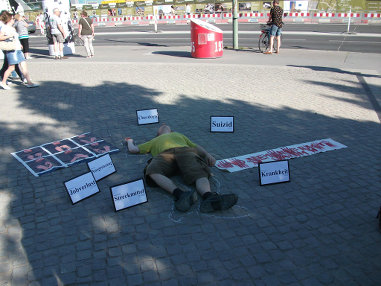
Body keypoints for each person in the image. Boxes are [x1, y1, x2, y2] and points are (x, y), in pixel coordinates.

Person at [126, 124, 238, 213]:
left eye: (166, 125)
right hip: (164, 155)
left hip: (184, 151)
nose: (164, 125)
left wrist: (206, 154)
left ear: (171, 131)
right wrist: (129, 141)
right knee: (152, 170)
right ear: (158, 133)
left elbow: (194, 146)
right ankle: (180, 195)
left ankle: (209, 197)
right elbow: (133, 149)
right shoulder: (154, 140)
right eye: (162, 126)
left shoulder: (179, 135)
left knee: (198, 170)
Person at [0, 11, 38, 89]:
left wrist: (19, 44)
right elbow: (0, 37)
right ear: (10, 19)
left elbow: (16, 38)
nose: (14, 20)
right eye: (13, 18)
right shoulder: (4, 27)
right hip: (11, 49)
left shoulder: (12, 28)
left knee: (24, 65)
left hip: (17, 49)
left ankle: (29, 82)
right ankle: (3, 82)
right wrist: (8, 36)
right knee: (11, 67)